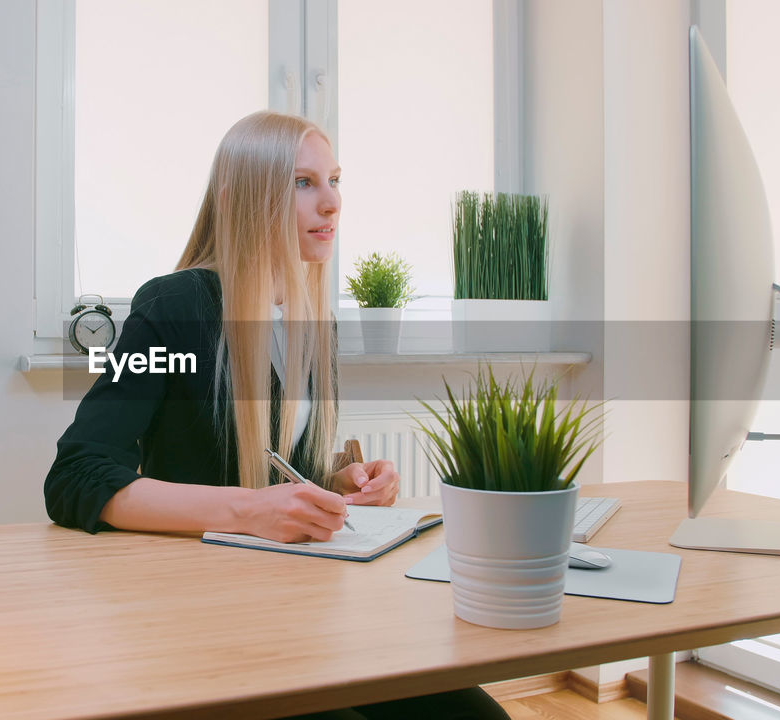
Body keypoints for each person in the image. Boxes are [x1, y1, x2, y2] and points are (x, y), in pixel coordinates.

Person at [44, 111, 511, 720]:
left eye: (335, 180)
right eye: (303, 183)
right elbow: (77, 476)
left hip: (306, 608)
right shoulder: (175, 308)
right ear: (243, 197)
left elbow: (276, 469)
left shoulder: (315, 321)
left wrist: (333, 485)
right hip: (208, 626)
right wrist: (247, 510)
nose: (332, 203)